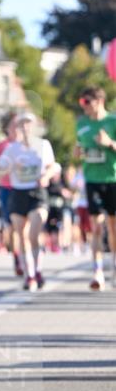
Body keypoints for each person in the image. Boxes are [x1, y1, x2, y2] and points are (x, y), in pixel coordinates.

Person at [0, 112, 56, 291]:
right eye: (21, 124)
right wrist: (5, 166)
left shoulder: (43, 145)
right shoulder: (12, 148)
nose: (25, 127)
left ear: (34, 126)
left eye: (28, 124)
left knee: (34, 234)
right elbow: (0, 168)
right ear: (17, 128)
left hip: (37, 192)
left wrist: (47, 176)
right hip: (18, 192)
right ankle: (29, 275)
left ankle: (38, 269)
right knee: (21, 235)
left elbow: (53, 165)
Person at [75, 86, 116, 289]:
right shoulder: (82, 125)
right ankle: (97, 272)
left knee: (113, 227)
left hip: (112, 179)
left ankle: (114, 268)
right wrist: (78, 152)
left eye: (86, 102)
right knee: (96, 227)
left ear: (99, 101)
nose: (83, 107)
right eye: (81, 103)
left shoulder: (113, 121)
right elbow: (79, 147)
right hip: (92, 180)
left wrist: (109, 143)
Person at [0, 111, 22, 276]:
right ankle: (17, 258)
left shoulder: (27, 144)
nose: (16, 128)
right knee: (11, 226)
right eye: (13, 125)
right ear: (7, 128)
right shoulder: (2, 146)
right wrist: (1, 170)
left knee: (23, 226)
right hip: (7, 188)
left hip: (24, 188)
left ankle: (25, 257)